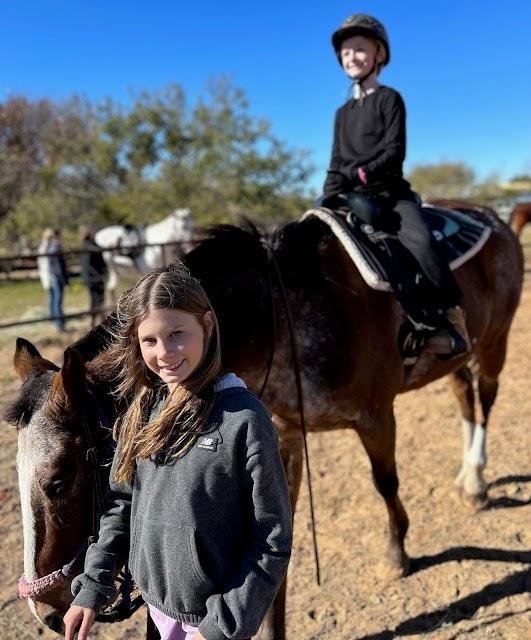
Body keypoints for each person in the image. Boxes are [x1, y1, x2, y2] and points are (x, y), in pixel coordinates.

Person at [63, 263, 292, 640]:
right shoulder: (144, 408)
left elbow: (271, 536)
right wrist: (92, 588)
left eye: (177, 334)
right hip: (157, 612)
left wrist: (221, 626)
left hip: (209, 626)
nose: (164, 353)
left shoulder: (244, 420)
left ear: (207, 325)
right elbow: (123, 506)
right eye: (149, 341)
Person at [320, 13, 470, 358]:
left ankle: (449, 318)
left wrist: (358, 175)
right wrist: (327, 197)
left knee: (419, 243)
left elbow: (393, 153)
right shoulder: (342, 113)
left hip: (390, 194)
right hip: (349, 196)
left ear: (379, 54)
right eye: (345, 52)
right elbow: (335, 160)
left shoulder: (390, 99)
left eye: (359, 49)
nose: (351, 57)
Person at [37, 228, 69, 332]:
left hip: (48, 276)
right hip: (53, 276)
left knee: (52, 299)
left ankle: (55, 320)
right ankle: (59, 324)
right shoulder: (52, 246)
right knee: (57, 299)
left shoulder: (44, 246)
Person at [79, 225, 108, 327]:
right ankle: (99, 322)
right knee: (98, 300)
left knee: (96, 300)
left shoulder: (85, 245)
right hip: (95, 278)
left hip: (91, 278)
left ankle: (97, 321)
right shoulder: (90, 246)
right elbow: (89, 264)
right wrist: (99, 275)